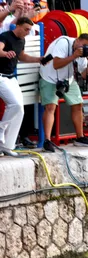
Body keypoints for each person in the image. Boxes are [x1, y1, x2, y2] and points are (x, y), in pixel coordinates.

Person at [39, 33, 88, 152]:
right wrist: (74, 56)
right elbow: (56, 64)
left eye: (87, 47)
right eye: (84, 45)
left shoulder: (82, 56)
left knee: (78, 104)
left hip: (67, 79)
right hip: (49, 77)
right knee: (51, 107)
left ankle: (80, 137)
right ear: (77, 40)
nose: (84, 49)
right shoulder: (63, 42)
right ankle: (47, 140)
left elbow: (84, 75)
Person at [0, 17, 42, 157]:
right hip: (0, 76)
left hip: (11, 77)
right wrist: (5, 53)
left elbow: (21, 56)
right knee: (15, 105)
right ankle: (1, 130)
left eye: (29, 30)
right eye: (25, 29)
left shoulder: (22, 40)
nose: (27, 32)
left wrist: (37, 59)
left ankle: (7, 146)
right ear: (17, 26)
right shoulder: (5, 36)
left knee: (20, 111)